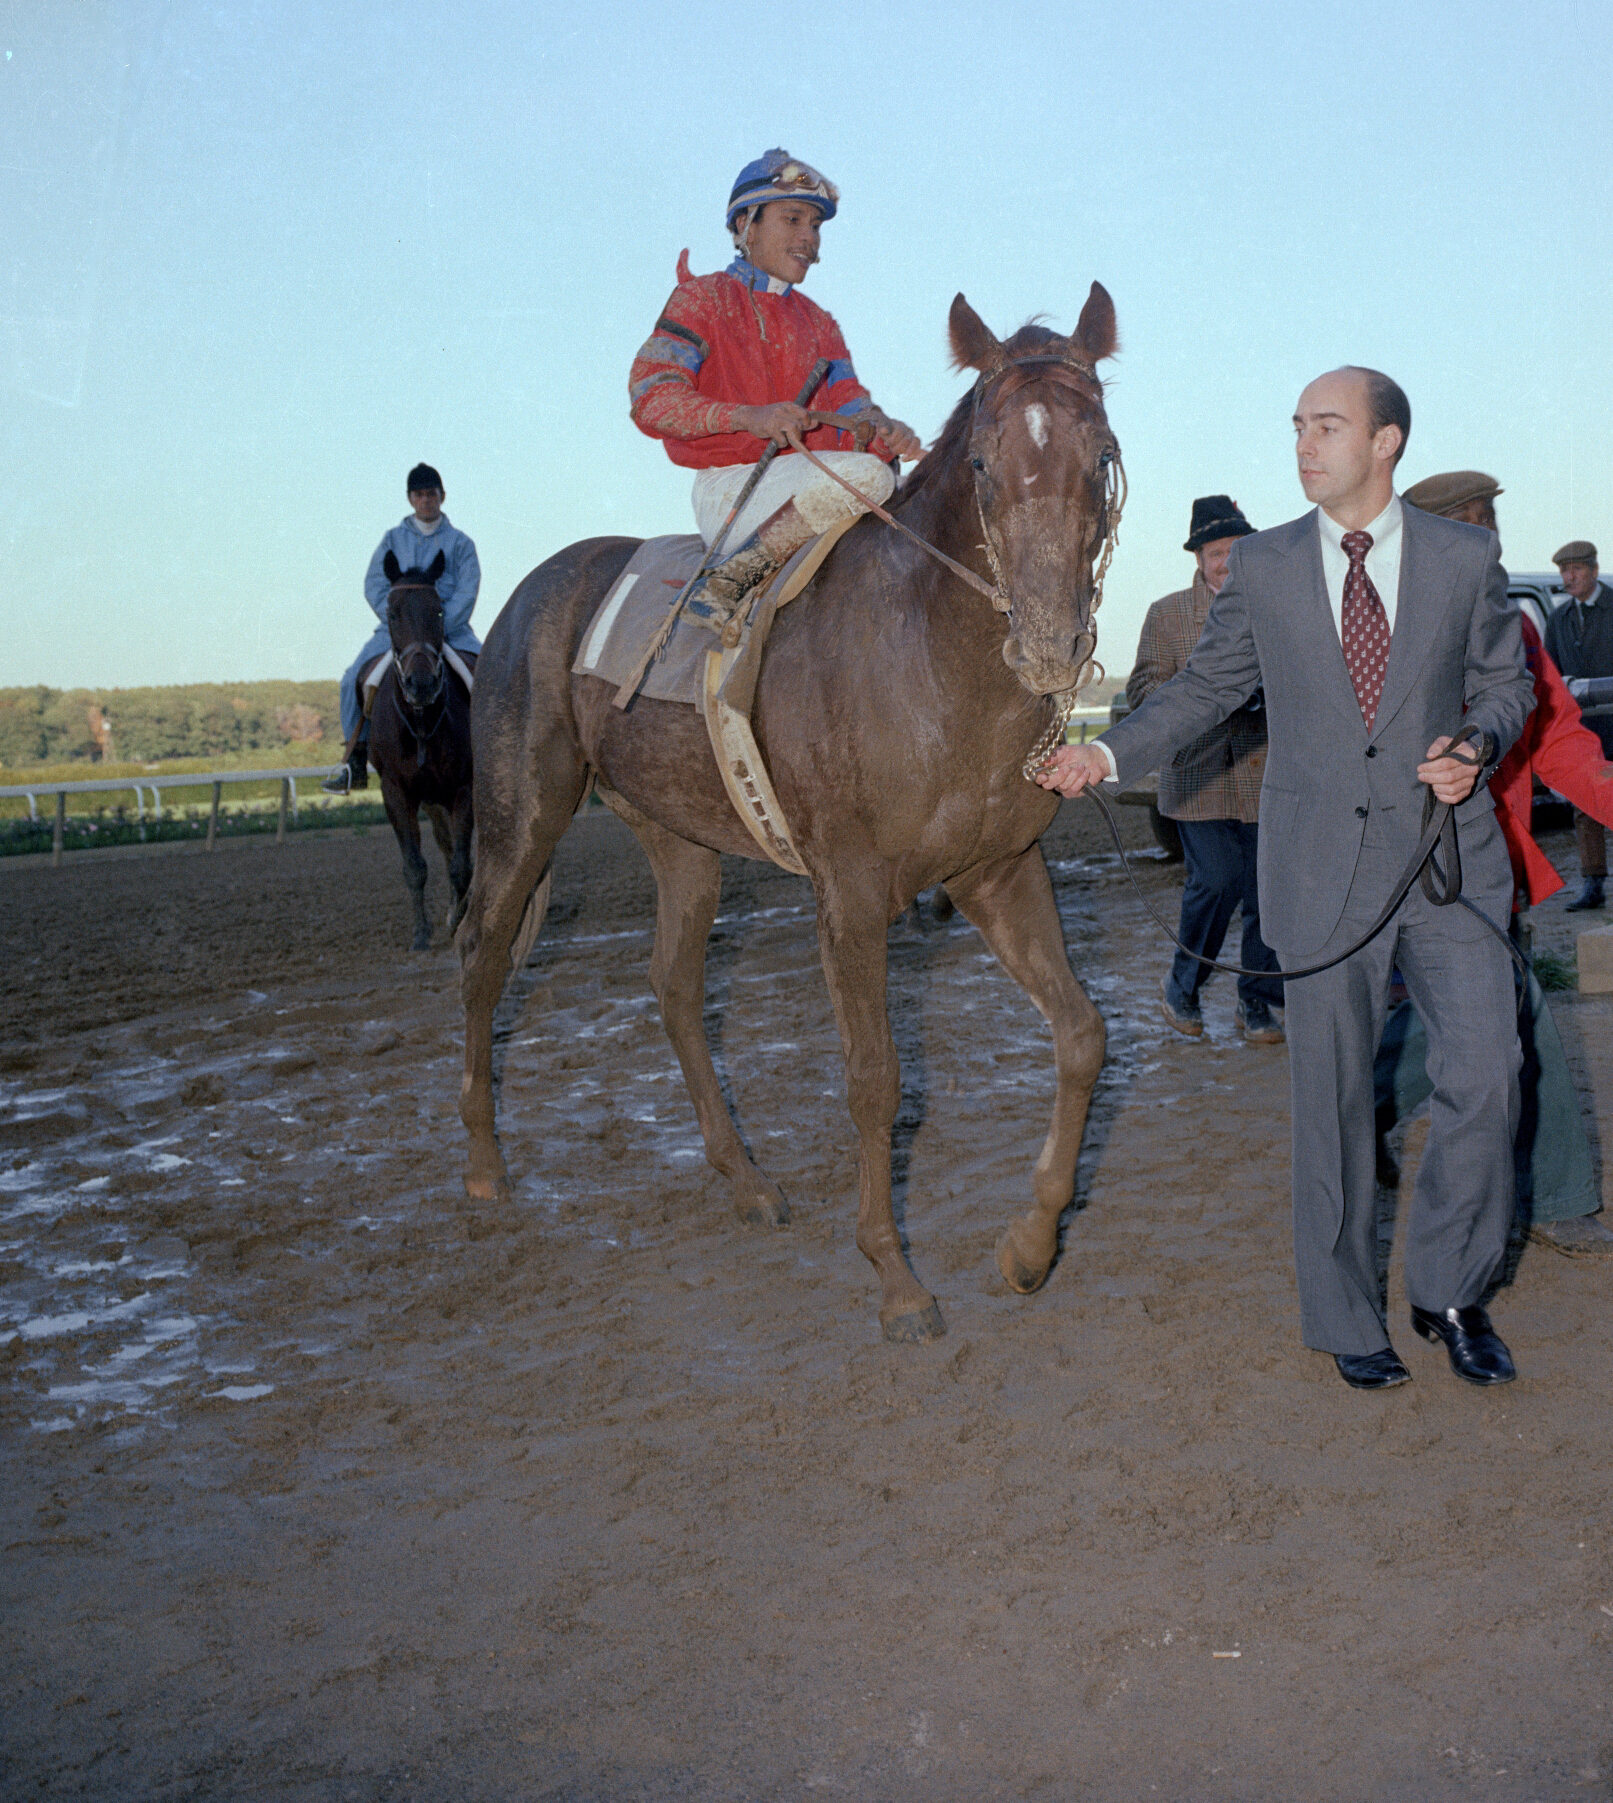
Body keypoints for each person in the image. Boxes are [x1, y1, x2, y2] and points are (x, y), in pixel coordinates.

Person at [1039, 367, 1535, 1391]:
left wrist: (1475, 744)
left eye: (1325, 426)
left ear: (1385, 440)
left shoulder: (1461, 555)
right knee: (1335, 1099)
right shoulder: (1261, 568)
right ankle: (1345, 1314)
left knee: (1487, 1075)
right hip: (1315, 874)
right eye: (1295, 428)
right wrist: (1106, 756)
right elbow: (1208, 690)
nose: (1302, 445)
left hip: (1447, 864)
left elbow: (1503, 682)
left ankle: (1447, 1289)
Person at [1377, 473, 1613, 1259]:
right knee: (1510, 1016)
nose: (1494, 541)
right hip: (1404, 866)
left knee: (1481, 1018)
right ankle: (1554, 1195)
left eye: (1493, 524)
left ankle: (1365, 1105)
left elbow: (1558, 740)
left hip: (1484, 873)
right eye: (1474, 527)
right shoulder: (1374, 628)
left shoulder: (1516, 631)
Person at [627, 149, 921, 615]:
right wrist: (748, 417)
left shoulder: (821, 324)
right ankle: (724, 586)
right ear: (746, 224)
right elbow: (651, 398)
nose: (809, 239)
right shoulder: (700, 299)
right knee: (867, 476)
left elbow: (851, 405)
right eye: (793, 220)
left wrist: (881, 427)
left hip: (811, 480)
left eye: (816, 226)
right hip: (732, 488)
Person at [1130, 495, 1284, 1044]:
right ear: (1198, 559)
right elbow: (1143, 690)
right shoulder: (1167, 615)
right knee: (1216, 881)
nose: (1227, 561)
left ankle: (1255, 1001)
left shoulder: (1279, 607)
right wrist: (1207, 700)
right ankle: (1183, 985)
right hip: (1200, 779)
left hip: (1269, 777)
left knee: (1269, 892)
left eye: (1237, 549)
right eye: (1216, 551)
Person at [326, 464, 480, 793]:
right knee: (349, 681)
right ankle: (355, 761)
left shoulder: (460, 543)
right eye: (420, 495)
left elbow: (467, 591)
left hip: (450, 629)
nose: (426, 500)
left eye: (432, 494)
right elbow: (375, 586)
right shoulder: (392, 540)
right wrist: (404, 626)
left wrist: (434, 626)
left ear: (442, 497)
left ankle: (501, 752)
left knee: (491, 677)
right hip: (398, 633)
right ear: (411, 499)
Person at [1542, 540, 1613, 909]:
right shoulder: (1559, 618)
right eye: (1563, 571)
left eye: (1576, 570)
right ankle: (1593, 883)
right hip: (1584, 731)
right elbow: (1550, 673)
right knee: (1585, 804)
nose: (1569, 577)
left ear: (1594, 570)